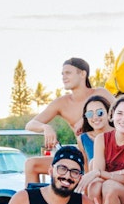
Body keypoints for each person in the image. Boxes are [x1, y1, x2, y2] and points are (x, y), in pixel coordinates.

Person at [24, 57, 112, 185]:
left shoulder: (101, 93)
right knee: (31, 164)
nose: (64, 77)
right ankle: (34, 203)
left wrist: (86, 118)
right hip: (82, 155)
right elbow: (30, 124)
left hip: (106, 152)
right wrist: (46, 128)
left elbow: (121, 113)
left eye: (68, 73)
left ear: (83, 74)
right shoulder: (62, 103)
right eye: (62, 74)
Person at [74, 94, 114, 164]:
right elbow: (86, 169)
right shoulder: (83, 139)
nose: (95, 117)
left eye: (100, 113)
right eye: (90, 114)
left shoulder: (121, 134)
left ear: (108, 113)